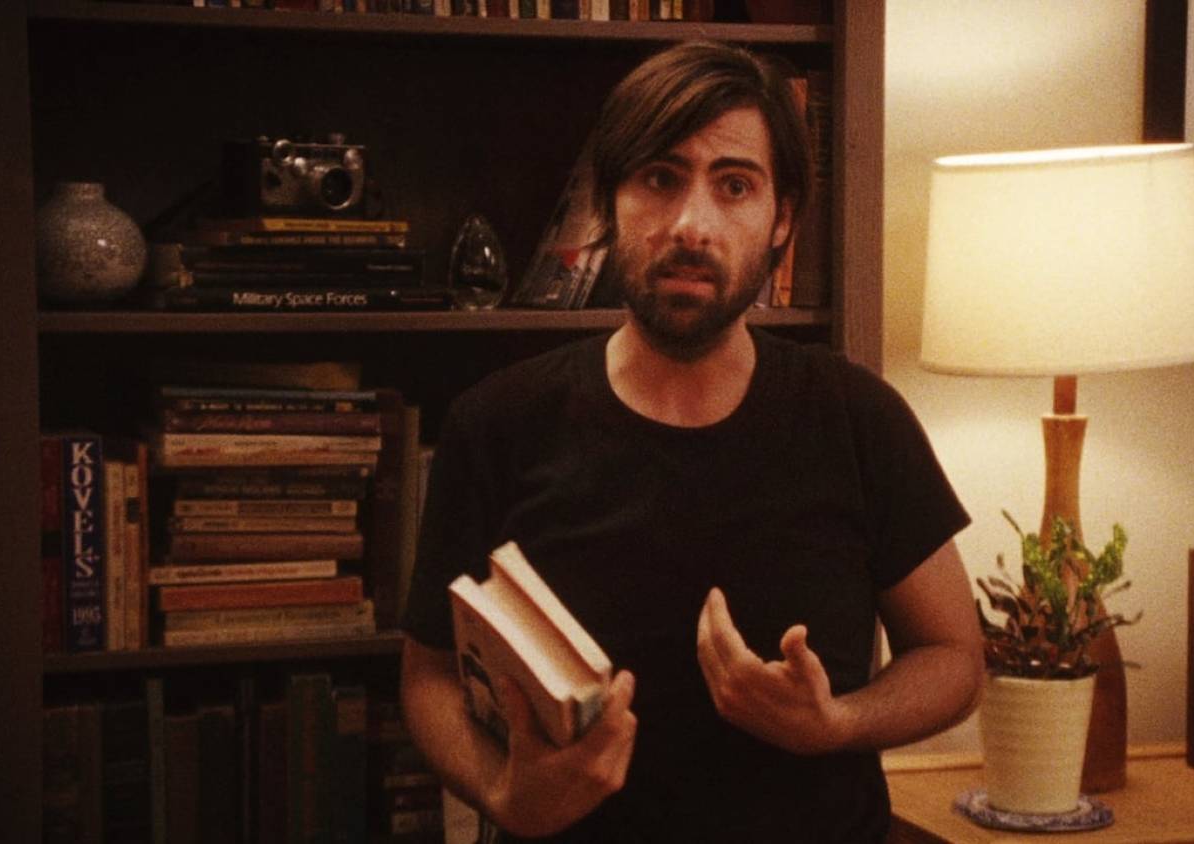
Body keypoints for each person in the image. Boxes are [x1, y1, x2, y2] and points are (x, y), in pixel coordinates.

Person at [399, 40, 984, 844]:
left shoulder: (858, 417)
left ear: (783, 219)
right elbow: (429, 674)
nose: (691, 225)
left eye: (734, 185)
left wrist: (837, 723)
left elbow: (954, 656)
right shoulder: (498, 422)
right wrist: (504, 792)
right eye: (659, 178)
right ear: (610, 205)